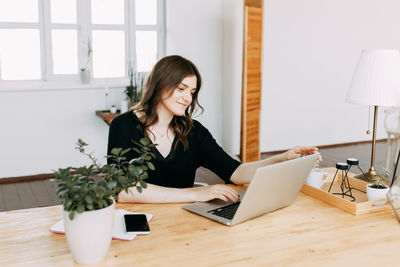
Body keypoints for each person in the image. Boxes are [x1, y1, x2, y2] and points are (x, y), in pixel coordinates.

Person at [108, 55, 320, 203]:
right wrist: (197, 194)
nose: (187, 98)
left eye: (192, 92)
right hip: (141, 223)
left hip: (182, 221)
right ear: (159, 84)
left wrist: (282, 158)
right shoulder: (123, 125)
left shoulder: (192, 131)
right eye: (181, 88)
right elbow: (124, 190)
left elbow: (236, 172)